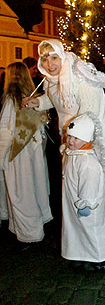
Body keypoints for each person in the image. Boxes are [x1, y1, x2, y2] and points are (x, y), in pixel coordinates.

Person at [22, 39, 105, 241]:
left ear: (62, 55)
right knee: (74, 182)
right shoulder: (52, 78)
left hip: (92, 135)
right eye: (45, 59)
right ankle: (80, 234)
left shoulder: (78, 75)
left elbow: (90, 113)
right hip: (71, 136)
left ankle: (100, 232)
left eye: (54, 57)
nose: (50, 64)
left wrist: (79, 142)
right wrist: (38, 101)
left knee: (92, 182)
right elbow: (56, 98)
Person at [0, 62, 52, 242]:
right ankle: (31, 227)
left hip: (17, 153)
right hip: (33, 152)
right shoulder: (33, 99)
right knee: (35, 186)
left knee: (21, 192)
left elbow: (5, 132)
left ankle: (30, 233)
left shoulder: (11, 101)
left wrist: (1, 157)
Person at [61, 114, 105, 272]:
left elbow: (90, 184)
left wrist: (86, 202)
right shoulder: (74, 155)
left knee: (91, 230)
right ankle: (80, 254)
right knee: (75, 228)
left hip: (86, 205)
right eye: (70, 137)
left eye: (76, 138)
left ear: (87, 139)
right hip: (72, 201)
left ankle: (98, 258)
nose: (71, 141)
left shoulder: (88, 163)